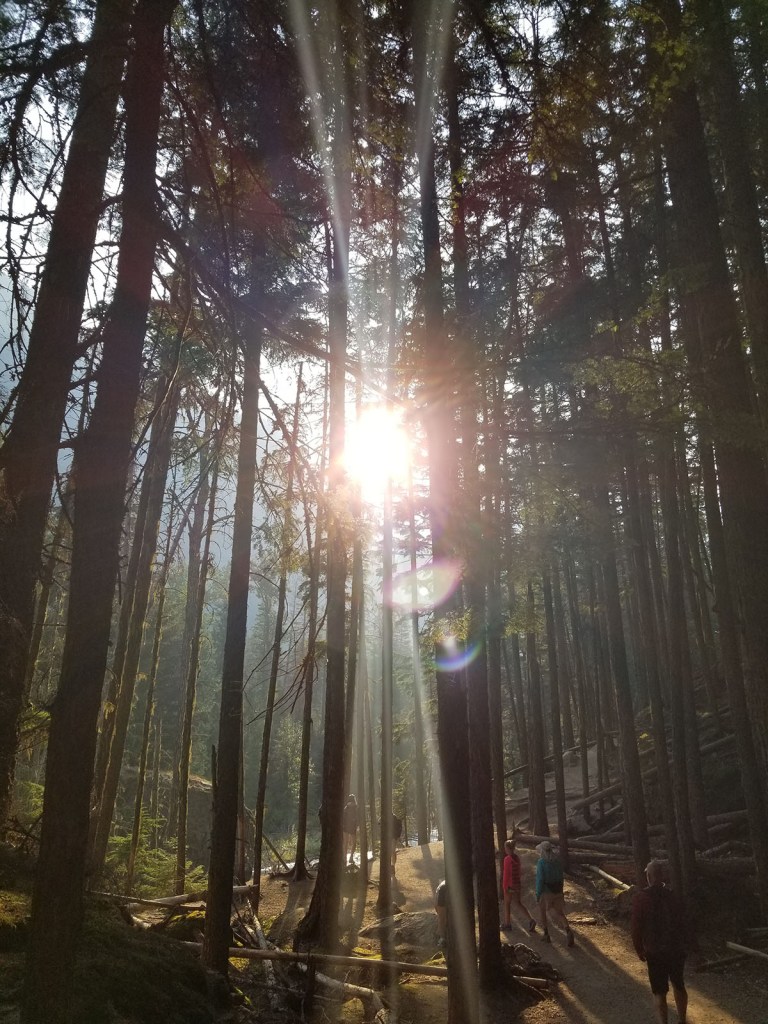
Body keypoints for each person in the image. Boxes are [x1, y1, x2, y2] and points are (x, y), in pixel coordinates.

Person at [632, 859, 693, 1024]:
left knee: (659, 992)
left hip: (655, 951)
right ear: (662, 875)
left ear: (649, 876)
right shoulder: (673, 896)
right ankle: (682, 1020)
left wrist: (639, 948)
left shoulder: (641, 898)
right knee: (679, 984)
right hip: (676, 949)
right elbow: (684, 922)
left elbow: (636, 926)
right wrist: (688, 945)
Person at [535, 840, 574, 947]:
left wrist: (538, 893)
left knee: (542, 912)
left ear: (542, 850)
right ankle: (568, 931)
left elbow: (540, 879)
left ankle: (546, 934)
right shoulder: (557, 862)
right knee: (560, 913)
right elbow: (561, 877)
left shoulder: (541, 862)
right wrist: (560, 890)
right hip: (557, 890)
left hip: (546, 892)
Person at [501, 837, 537, 934]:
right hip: (517, 884)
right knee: (518, 903)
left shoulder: (507, 859)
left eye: (505, 847)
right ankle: (531, 920)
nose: (505, 849)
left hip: (509, 885)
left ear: (508, 848)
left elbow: (506, 874)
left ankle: (507, 924)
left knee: (507, 904)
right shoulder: (517, 858)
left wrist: (505, 887)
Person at [342, 794, 358, 865]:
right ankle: (350, 857)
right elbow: (357, 818)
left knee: (345, 843)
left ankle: (345, 858)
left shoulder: (346, 808)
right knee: (353, 843)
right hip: (351, 827)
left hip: (346, 827)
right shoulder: (355, 807)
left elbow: (343, 818)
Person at [434, 879, 447, 947]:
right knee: (442, 919)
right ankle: (442, 938)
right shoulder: (443, 888)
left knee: (442, 919)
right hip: (442, 894)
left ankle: (442, 938)